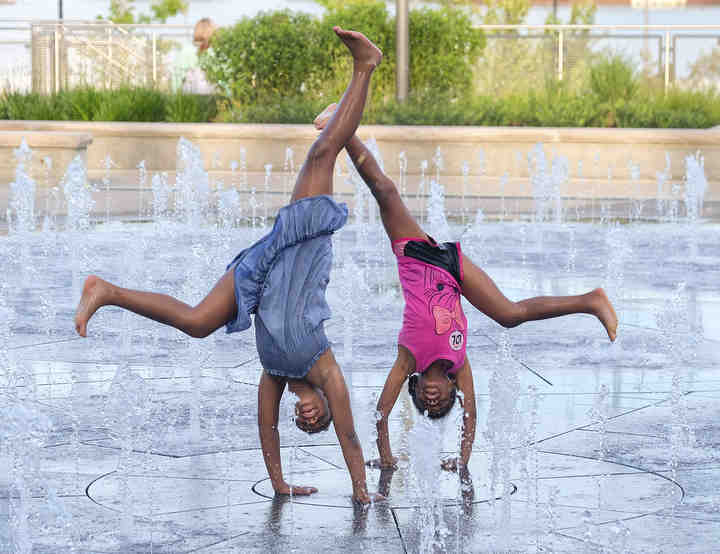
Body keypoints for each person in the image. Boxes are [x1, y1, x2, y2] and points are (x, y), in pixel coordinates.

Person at [74, 27, 384, 505]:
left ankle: (107, 291)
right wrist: (362, 490)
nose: (309, 419)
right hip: (300, 249)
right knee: (323, 153)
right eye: (318, 418)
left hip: (258, 273)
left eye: (305, 424)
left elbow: (265, 427)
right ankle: (365, 66)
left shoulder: (275, 376)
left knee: (198, 322)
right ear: (325, 406)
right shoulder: (327, 372)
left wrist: (279, 483)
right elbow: (350, 438)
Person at [314, 103, 618, 476]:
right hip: (454, 270)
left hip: (417, 256)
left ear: (419, 389)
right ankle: (590, 300)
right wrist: (463, 458)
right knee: (510, 315)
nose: (431, 401)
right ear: (449, 394)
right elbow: (472, 415)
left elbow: (381, 413)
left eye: (426, 404)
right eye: (439, 406)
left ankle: (341, 125)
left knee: (385, 192)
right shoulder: (460, 365)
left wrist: (388, 456)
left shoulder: (408, 359)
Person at [181, 17, 217, 95]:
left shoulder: (185, 50)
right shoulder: (216, 52)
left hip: (188, 95)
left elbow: (178, 75)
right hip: (211, 94)